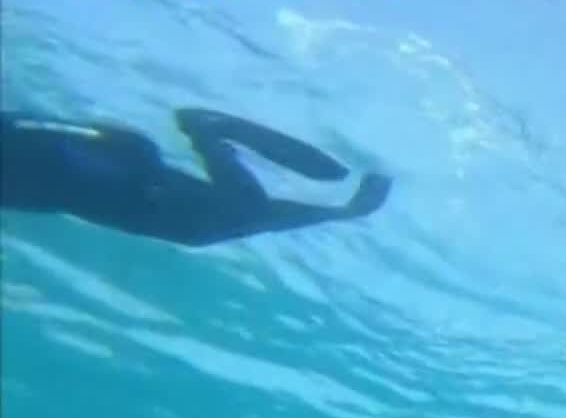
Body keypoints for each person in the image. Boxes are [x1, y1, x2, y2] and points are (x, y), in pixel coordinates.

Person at [1, 106, 390, 246]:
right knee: (232, 217)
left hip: (138, 193)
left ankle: (204, 131)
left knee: (232, 217)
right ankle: (203, 130)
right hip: (145, 198)